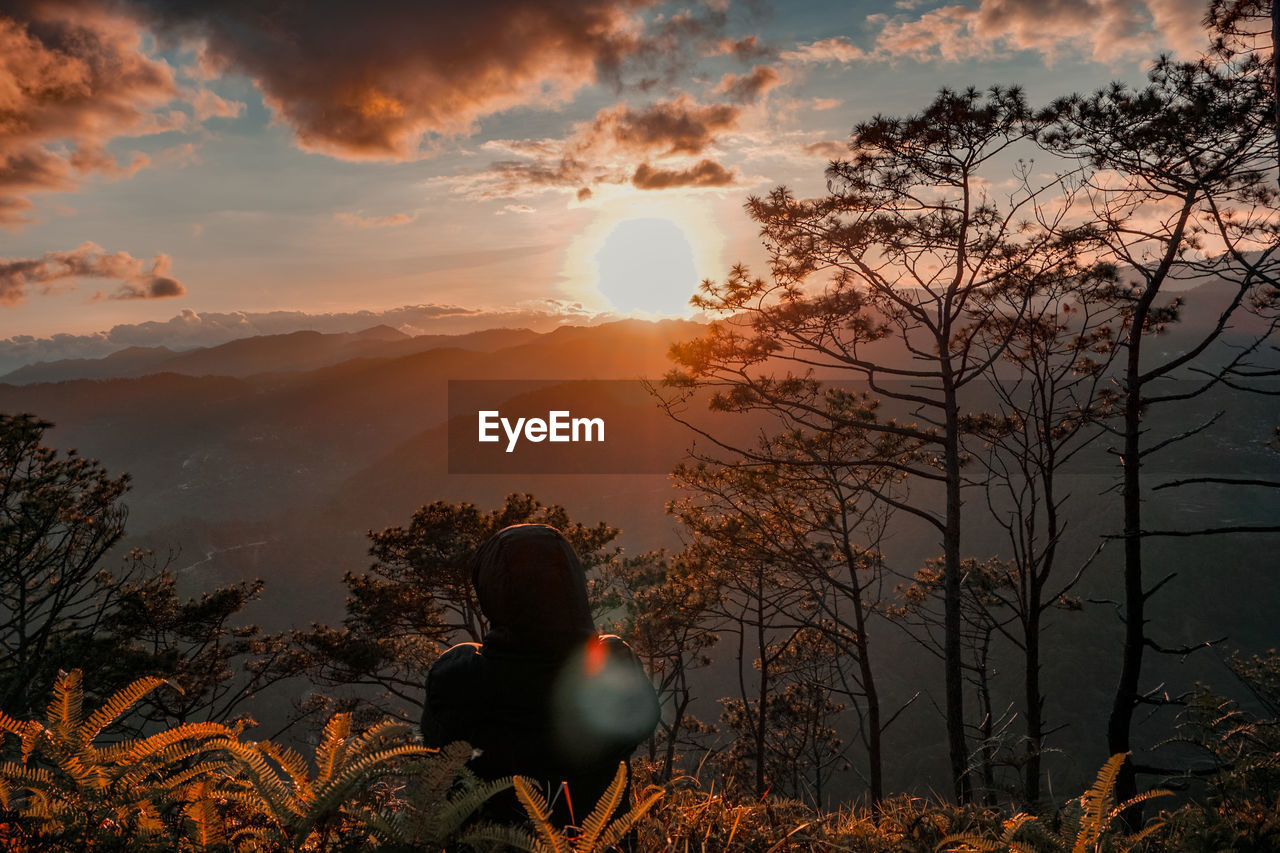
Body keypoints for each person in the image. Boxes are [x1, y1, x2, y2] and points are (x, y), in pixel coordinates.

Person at [422, 523, 660, 830]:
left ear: (492, 590)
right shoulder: (614, 665)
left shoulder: (459, 674)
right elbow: (642, 723)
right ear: (573, 587)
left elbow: (433, 751)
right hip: (597, 845)